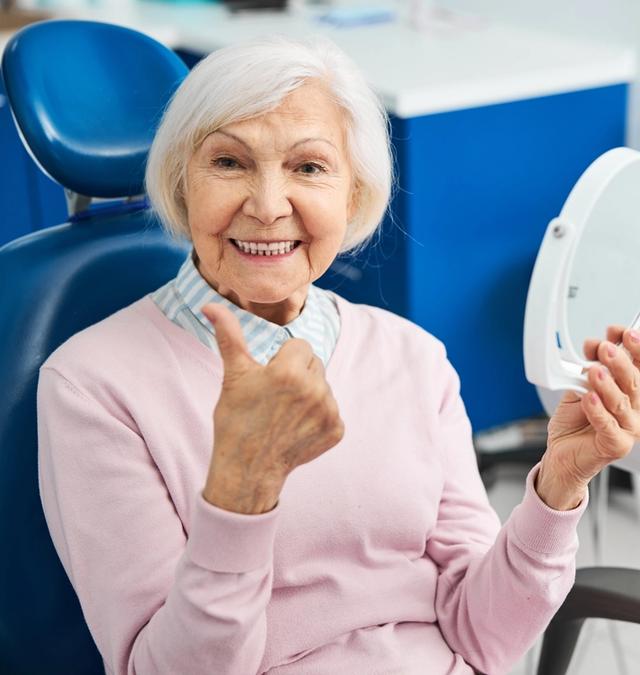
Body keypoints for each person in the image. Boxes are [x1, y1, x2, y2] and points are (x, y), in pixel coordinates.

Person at [36, 33, 640, 675]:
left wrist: (557, 487)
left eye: (308, 167)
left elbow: (482, 635)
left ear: (352, 197)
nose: (268, 207)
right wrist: (241, 492)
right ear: (184, 184)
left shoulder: (413, 358)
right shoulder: (92, 387)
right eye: (230, 163)